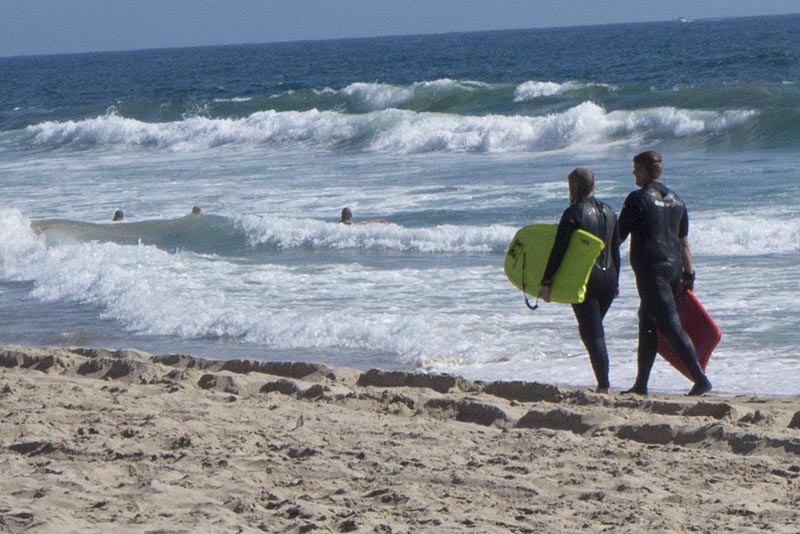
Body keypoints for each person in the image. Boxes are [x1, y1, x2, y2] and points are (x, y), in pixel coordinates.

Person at [618, 150, 712, 396]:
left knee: (671, 325)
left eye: (636, 168)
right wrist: (689, 275)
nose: (633, 173)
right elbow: (684, 244)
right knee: (647, 322)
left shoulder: (637, 199)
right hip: (674, 271)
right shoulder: (677, 201)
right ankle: (641, 384)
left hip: (652, 271)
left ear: (644, 170)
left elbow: (618, 236)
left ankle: (700, 379)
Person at [540, 168, 621, 394]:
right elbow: (615, 250)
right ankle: (603, 382)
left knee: (592, 333)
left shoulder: (573, 213)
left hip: (586, 279)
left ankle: (604, 386)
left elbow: (559, 249)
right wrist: (616, 282)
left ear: (574, 186)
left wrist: (547, 281)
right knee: (593, 330)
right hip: (609, 276)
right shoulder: (610, 212)